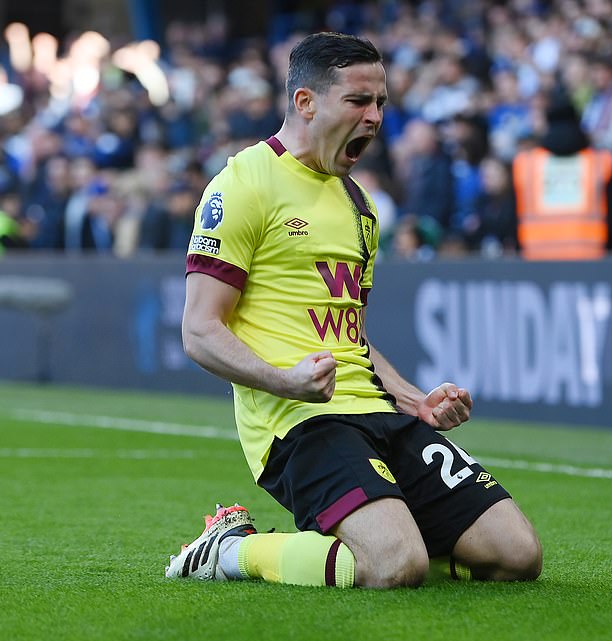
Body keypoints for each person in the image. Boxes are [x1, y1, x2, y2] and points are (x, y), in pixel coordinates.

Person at [166, 32, 542, 589]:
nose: (374, 117)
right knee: (396, 567)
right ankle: (232, 550)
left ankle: (390, 543)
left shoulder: (358, 203)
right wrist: (284, 381)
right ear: (305, 102)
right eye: (358, 101)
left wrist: (415, 400)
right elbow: (199, 330)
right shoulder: (244, 184)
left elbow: (352, 334)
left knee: (517, 555)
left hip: (377, 411)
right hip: (300, 422)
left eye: (381, 103)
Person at [512, 92, 612, 260]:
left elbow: (513, 214)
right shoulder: (600, 162)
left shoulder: (526, 164)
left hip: (537, 259)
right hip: (590, 259)